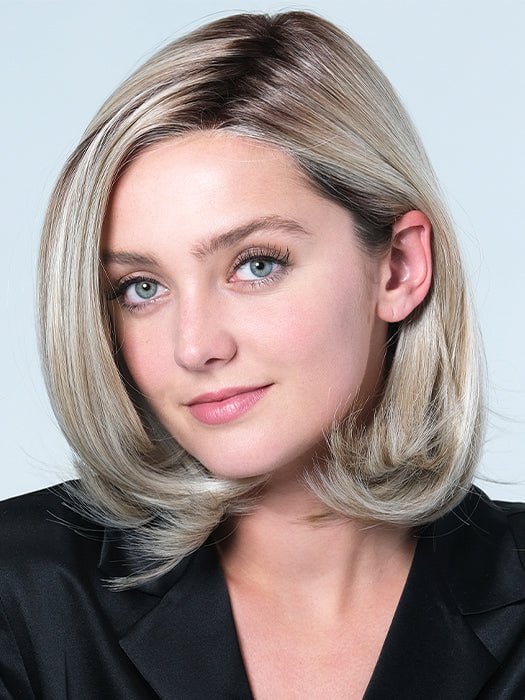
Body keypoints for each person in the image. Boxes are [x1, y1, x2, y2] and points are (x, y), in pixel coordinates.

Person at [1, 10, 525, 699]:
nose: (195, 346)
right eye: (141, 287)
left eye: (256, 265)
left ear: (398, 267)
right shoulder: (20, 593)